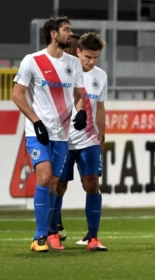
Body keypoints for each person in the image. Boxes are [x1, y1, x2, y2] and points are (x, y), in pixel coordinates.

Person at [12, 15, 87, 252]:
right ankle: (39, 237)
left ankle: (51, 232)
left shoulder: (73, 63)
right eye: (66, 29)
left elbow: (78, 95)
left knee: (54, 184)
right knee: (44, 178)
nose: (71, 34)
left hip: (62, 134)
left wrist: (82, 110)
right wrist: (36, 122)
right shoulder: (32, 61)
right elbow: (17, 95)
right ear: (53, 34)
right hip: (38, 133)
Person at [47, 32, 108, 251]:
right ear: (78, 51)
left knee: (92, 184)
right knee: (58, 186)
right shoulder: (64, 72)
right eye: (88, 57)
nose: (91, 62)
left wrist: (103, 134)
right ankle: (52, 233)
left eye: (96, 58)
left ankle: (93, 237)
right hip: (63, 138)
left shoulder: (100, 76)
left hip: (89, 140)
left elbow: (100, 108)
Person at [57, 32, 81, 242]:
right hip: (61, 135)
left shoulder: (92, 74)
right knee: (57, 181)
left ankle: (55, 221)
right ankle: (53, 222)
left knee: (63, 183)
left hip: (82, 138)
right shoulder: (61, 71)